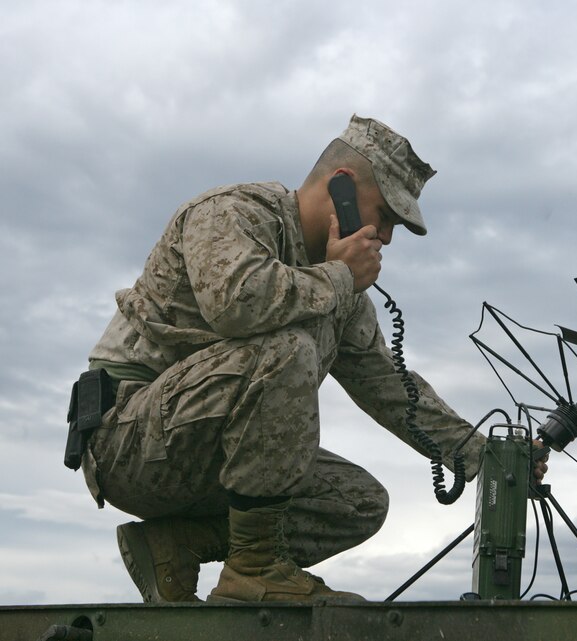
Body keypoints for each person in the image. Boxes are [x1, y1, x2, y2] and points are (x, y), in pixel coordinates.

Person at [78, 114, 547, 604]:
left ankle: (176, 545)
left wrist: (486, 458)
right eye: (383, 215)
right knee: (287, 349)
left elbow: (388, 386)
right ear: (342, 187)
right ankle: (254, 569)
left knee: (359, 502)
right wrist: (341, 277)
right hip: (126, 442)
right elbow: (238, 303)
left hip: (203, 460)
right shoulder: (231, 213)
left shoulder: (333, 281)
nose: (385, 237)